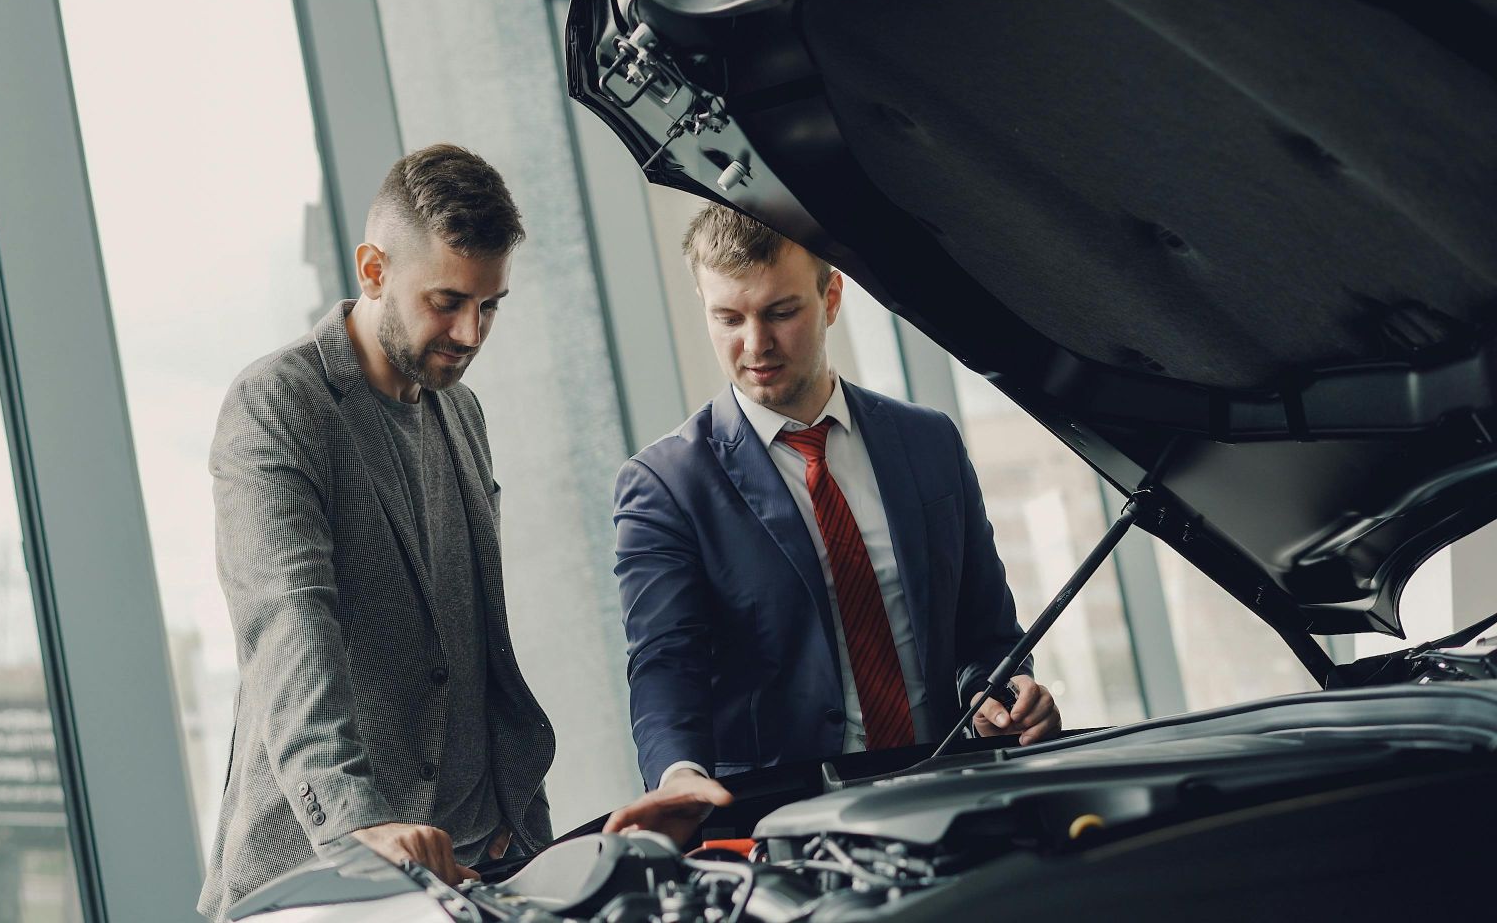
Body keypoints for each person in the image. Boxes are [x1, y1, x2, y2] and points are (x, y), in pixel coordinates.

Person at [602, 205, 1060, 842]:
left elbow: (985, 632)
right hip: (788, 826)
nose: (755, 344)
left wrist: (1007, 690)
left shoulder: (928, 442)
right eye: (728, 318)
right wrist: (678, 772)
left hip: (954, 798)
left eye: (780, 312)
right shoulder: (665, 485)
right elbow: (664, 660)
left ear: (832, 296)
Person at [198, 144, 554, 920]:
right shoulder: (279, 404)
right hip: (332, 881)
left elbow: (470, 638)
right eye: (447, 300)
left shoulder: (461, 411)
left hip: (480, 865)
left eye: (490, 305)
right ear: (373, 269)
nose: (470, 332)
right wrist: (356, 824)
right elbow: (287, 622)